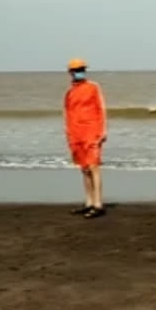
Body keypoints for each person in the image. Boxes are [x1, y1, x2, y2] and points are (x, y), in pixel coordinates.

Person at [64, 58, 108, 219]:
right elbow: (67, 113)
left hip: (92, 131)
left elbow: (101, 108)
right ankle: (89, 202)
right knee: (84, 168)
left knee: (93, 166)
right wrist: (68, 133)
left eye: (82, 69)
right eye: (76, 70)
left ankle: (98, 204)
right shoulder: (70, 92)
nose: (79, 72)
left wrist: (103, 130)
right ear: (70, 73)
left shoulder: (93, 87)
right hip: (76, 133)